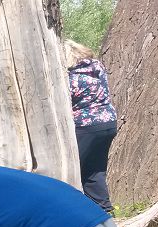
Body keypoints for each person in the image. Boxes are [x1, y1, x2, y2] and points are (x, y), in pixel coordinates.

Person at [65, 40, 117, 212]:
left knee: (73, 168)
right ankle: (103, 210)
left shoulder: (70, 78)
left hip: (86, 125)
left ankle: (74, 212)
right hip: (108, 122)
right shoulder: (97, 68)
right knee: (95, 170)